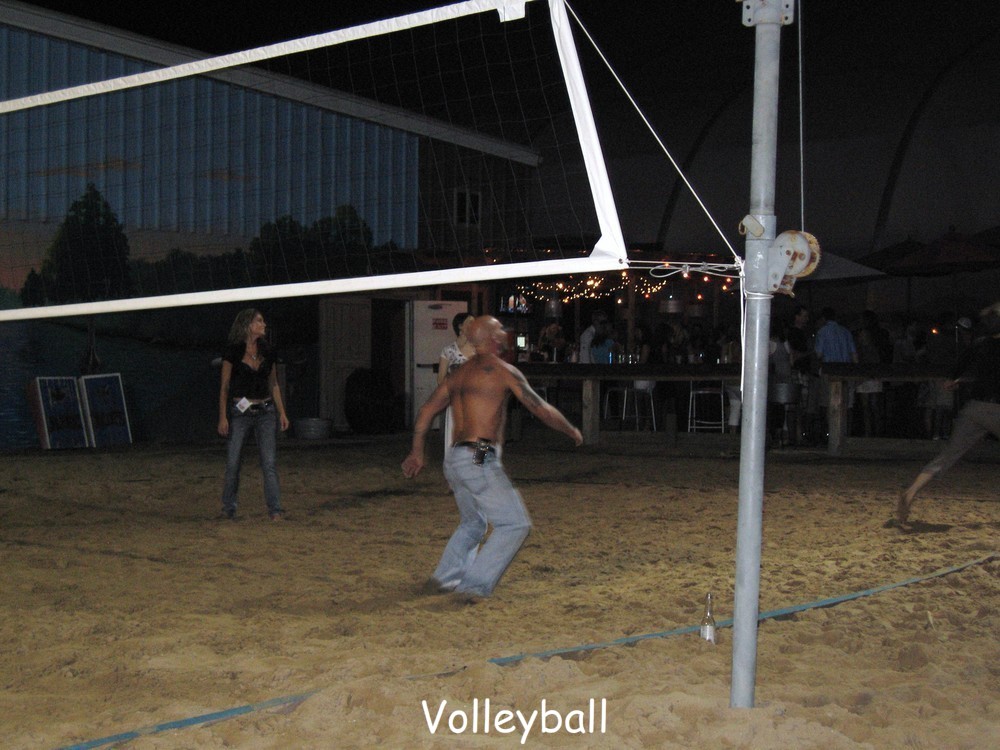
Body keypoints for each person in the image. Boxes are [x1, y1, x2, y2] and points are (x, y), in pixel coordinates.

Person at [402, 315, 583, 602]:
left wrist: (417, 451)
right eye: (499, 328)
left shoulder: (458, 374)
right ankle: (473, 587)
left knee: (473, 523)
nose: (504, 331)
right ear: (492, 338)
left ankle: (443, 579)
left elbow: (426, 411)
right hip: (475, 454)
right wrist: (570, 429)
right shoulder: (502, 371)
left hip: (459, 456)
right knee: (514, 524)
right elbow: (540, 408)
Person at [897, 302, 1000, 526]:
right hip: (996, 409)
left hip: (973, 408)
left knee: (947, 456)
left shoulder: (979, 344)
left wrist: (956, 380)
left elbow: (961, 370)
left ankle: (912, 491)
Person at [217, 308, 290, 520]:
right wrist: (222, 417)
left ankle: (275, 509)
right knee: (233, 463)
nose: (264, 324)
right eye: (259, 321)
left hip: (266, 411)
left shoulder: (268, 351)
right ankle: (228, 507)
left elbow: (274, 384)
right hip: (241, 412)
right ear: (248, 325)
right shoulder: (233, 351)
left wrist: (282, 412)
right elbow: (225, 386)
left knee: (269, 463)